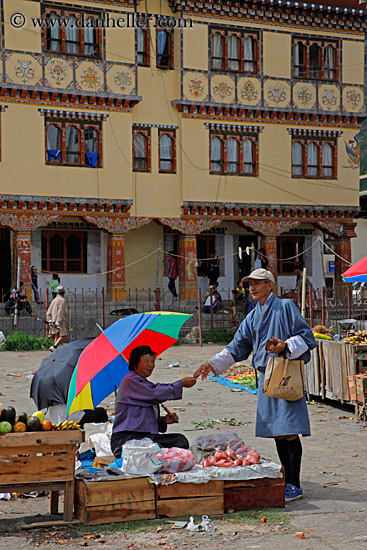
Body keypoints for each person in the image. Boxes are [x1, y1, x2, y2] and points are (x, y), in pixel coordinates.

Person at [194, 268, 316, 504]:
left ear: (270, 285)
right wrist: (212, 363)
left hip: (284, 374)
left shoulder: (286, 307)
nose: (252, 288)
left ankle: (295, 483)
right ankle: (287, 480)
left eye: (257, 283)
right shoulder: (252, 317)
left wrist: (284, 345)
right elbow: (237, 347)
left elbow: (306, 337)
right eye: (250, 284)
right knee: (277, 433)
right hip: (264, 377)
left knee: (289, 430)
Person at [111, 345, 197, 458]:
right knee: (160, 447)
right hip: (126, 440)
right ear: (135, 363)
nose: (151, 365)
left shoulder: (143, 382)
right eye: (146, 361)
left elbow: (143, 418)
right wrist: (181, 384)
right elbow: (155, 393)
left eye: (153, 361)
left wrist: (163, 421)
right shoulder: (130, 381)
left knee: (180, 440)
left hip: (144, 437)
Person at [46, 285, 68, 352]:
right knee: (64, 335)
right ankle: (55, 347)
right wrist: (58, 321)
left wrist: (50, 320)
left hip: (53, 321)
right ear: (63, 293)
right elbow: (60, 311)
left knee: (56, 335)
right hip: (59, 321)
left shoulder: (54, 300)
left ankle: (55, 350)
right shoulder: (62, 300)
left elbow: (48, 312)